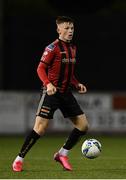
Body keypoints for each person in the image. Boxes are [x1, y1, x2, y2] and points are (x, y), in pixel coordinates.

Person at [12, 16, 89, 172]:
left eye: (72, 28)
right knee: (40, 129)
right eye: (66, 28)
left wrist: (77, 84)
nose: (70, 31)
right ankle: (19, 159)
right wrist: (48, 84)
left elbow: (69, 73)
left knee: (83, 126)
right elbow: (40, 69)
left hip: (66, 93)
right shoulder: (52, 48)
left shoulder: (73, 48)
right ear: (58, 29)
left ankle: (62, 154)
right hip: (51, 93)